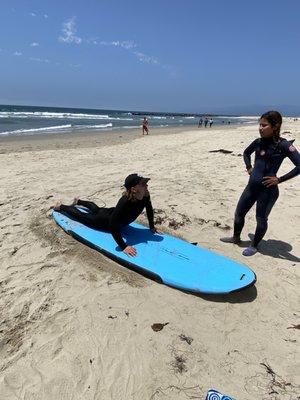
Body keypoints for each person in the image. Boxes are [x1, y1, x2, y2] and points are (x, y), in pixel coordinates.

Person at [221, 110, 300, 256]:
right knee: (239, 213)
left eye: (264, 125)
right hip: (251, 187)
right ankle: (236, 237)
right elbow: (246, 153)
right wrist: (249, 167)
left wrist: (279, 179)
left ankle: (254, 245)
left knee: (261, 219)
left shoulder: (284, 145)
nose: (260, 128)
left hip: (268, 191)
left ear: (275, 126)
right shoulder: (258, 142)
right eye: (260, 125)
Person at [53, 174, 158, 257]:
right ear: (134, 189)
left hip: (110, 213)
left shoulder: (145, 196)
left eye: (146, 183)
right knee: (82, 217)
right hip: (104, 221)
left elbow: (149, 209)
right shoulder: (124, 201)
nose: (147, 186)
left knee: (96, 209)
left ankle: (78, 201)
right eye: (143, 184)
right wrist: (123, 246)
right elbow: (112, 226)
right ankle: (61, 207)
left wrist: (152, 226)